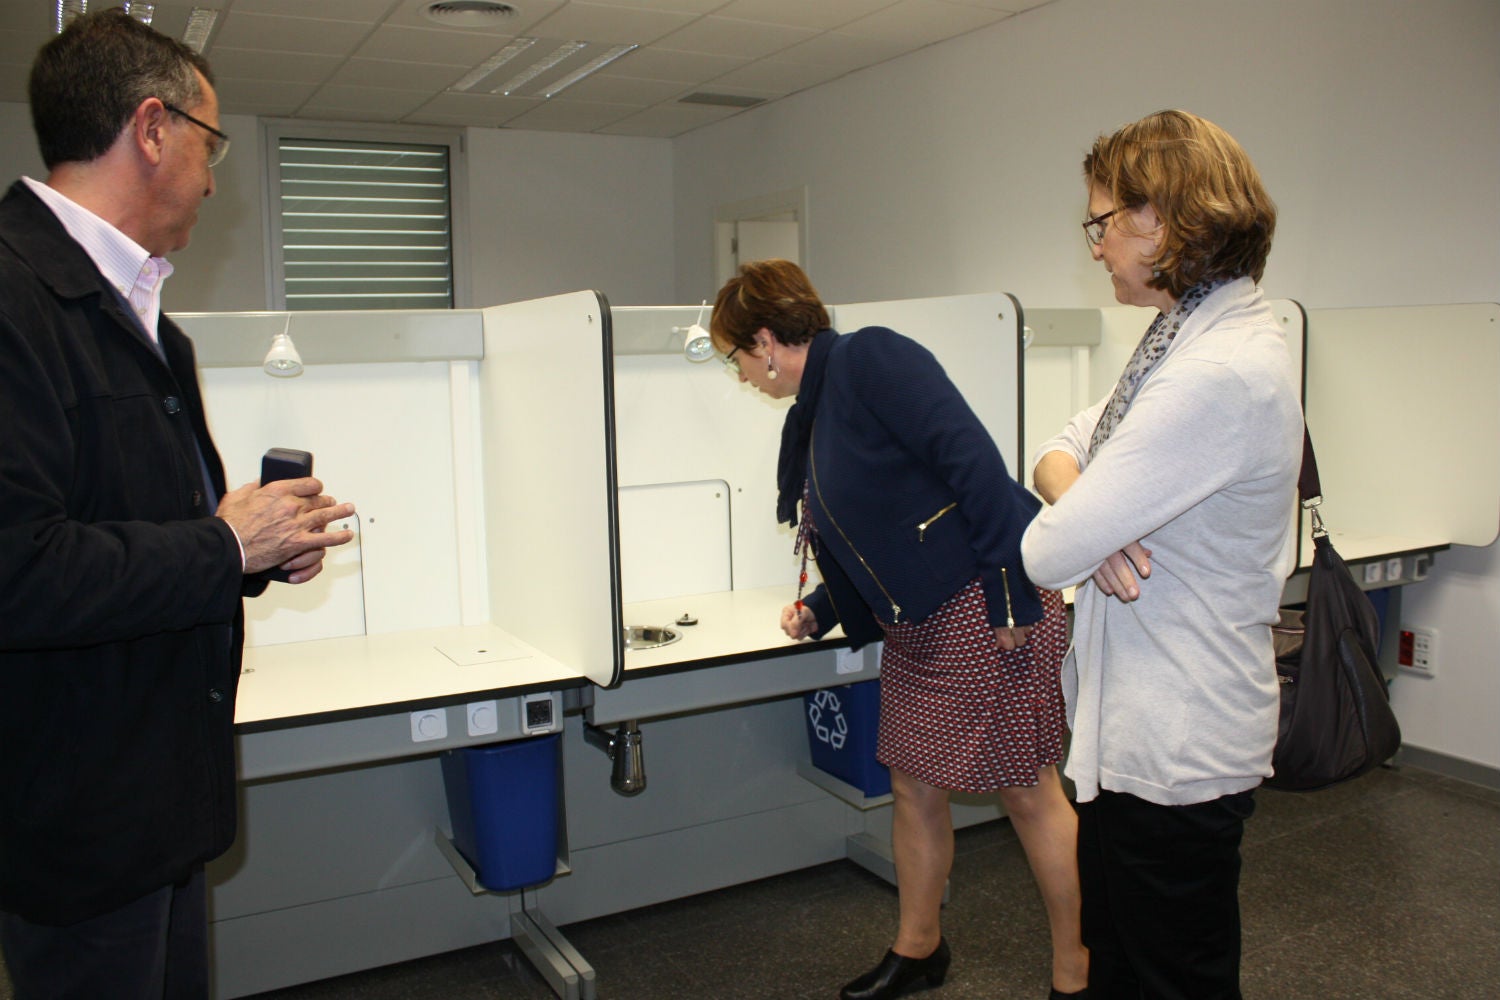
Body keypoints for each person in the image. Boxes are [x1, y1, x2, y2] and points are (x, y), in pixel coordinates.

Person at [0, 10, 355, 998]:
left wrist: (254, 547)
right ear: (151, 130)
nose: (211, 177)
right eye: (210, 145)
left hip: (161, 796)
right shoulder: (14, 299)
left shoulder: (153, 327)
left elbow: (146, 535)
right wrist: (217, 543)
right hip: (76, 820)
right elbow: (18, 569)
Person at [709, 259, 1088, 1000]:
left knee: (1027, 790)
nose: (743, 375)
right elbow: (874, 528)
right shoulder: (816, 412)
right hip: (920, 625)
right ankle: (919, 950)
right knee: (912, 786)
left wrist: (1012, 594)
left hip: (985, 603)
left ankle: (1079, 970)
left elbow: (976, 469)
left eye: (737, 359)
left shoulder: (871, 359)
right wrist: (822, 607)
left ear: (765, 339)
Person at [1020, 110, 1302, 1000]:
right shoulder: (1180, 337)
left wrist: (1087, 523)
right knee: (1128, 963)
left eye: (1104, 221)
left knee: (1172, 977)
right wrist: (1096, 511)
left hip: (1176, 737)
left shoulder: (1215, 371)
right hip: (1136, 727)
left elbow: (1046, 548)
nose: (1096, 246)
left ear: (1166, 218)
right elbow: (1056, 449)